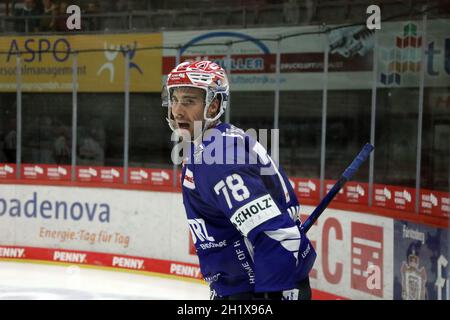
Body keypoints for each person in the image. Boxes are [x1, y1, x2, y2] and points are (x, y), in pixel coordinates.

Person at [162, 60, 316, 300]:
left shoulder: (219, 157)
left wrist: (271, 295)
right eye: (175, 99)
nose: (177, 110)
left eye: (189, 101)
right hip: (243, 287)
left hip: (261, 290)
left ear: (213, 106)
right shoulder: (210, 145)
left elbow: (276, 234)